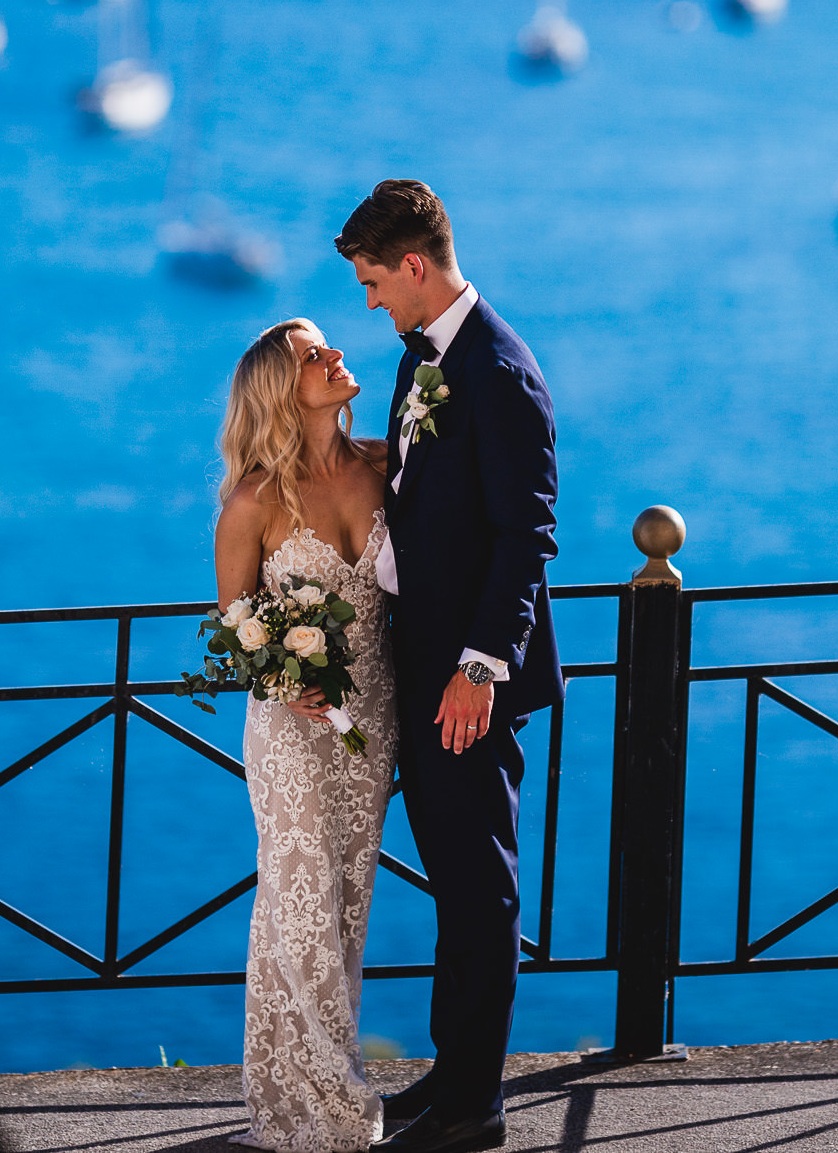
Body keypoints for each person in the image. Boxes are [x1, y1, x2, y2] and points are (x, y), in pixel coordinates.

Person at [337, 180, 563, 1153]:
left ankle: (476, 1107)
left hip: (467, 681)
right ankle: (453, 1070)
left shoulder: (499, 375)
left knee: (480, 885)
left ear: (415, 265)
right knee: (452, 880)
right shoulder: (425, 357)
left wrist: (479, 668)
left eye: (374, 280)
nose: (370, 300)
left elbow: (526, 537)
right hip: (423, 666)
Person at [216, 317, 400, 1152]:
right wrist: (287, 680)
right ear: (281, 391)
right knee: (297, 906)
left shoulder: (384, 467)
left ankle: (310, 1087)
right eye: (310, 355)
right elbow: (236, 626)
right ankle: (324, 1096)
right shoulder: (253, 500)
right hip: (292, 732)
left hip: (374, 720)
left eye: (327, 343)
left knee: (348, 899)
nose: (332, 355)